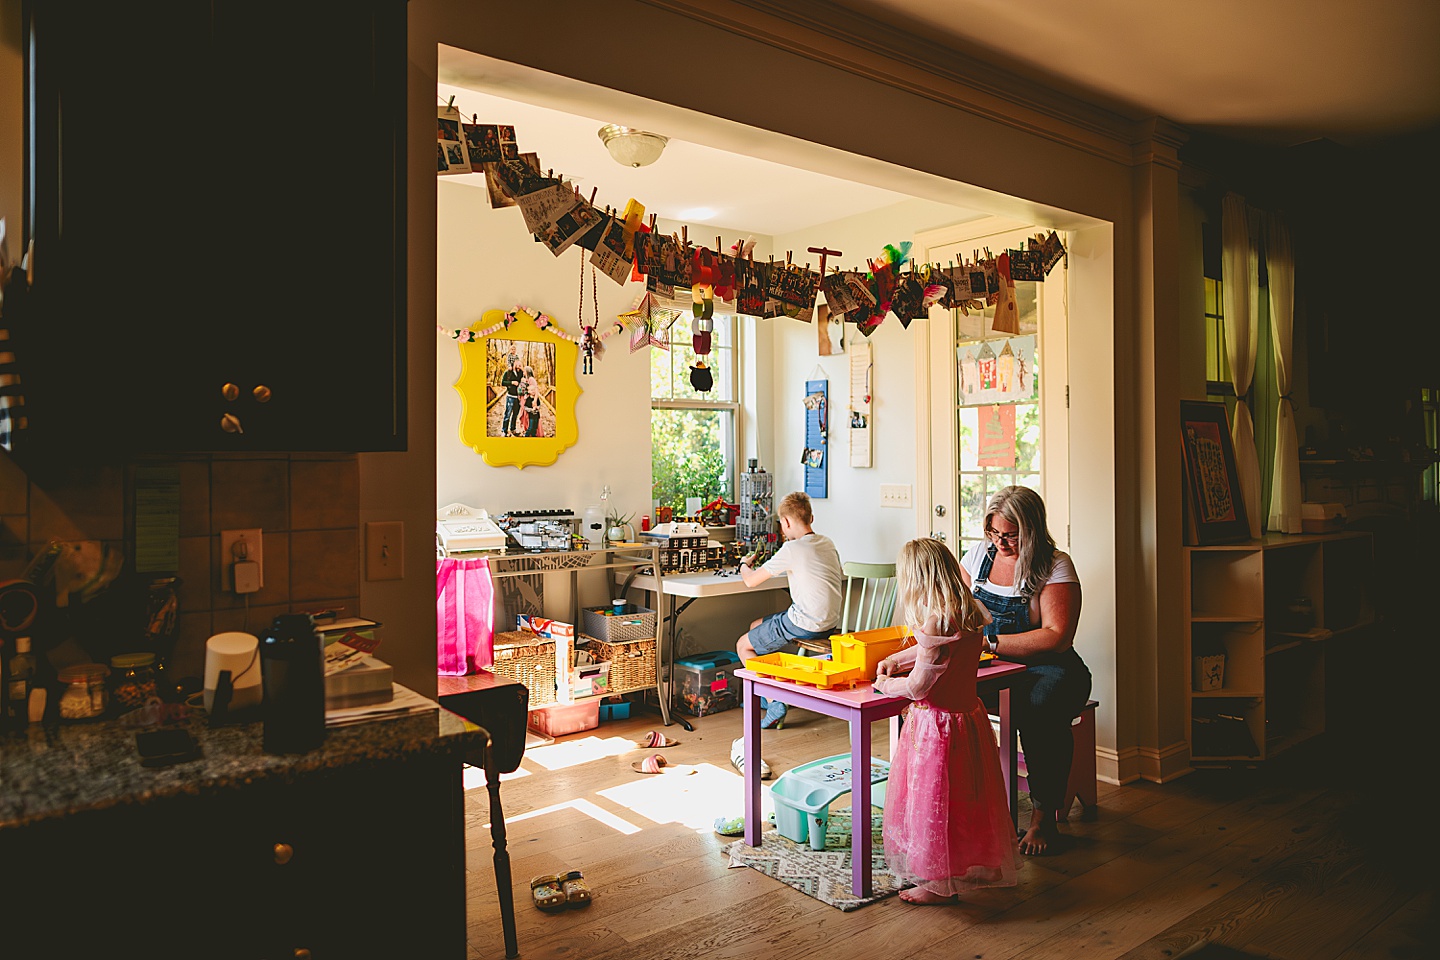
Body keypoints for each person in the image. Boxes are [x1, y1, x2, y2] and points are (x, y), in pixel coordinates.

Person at [873, 538, 1018, 903]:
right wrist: (899, 658)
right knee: (963, 801)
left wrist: (887, 684)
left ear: (917, 578)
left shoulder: (937, 617)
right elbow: (933, 649)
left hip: (934, 727)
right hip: (967, 720)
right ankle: (964, 865)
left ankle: (935, 883)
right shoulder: (968, 608)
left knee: (932, 804)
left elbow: (920, 686)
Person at [960, 485, 1089, 856]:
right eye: (994, 533)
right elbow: (959, 609)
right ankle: (964, 803)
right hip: (992, 668)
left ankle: (1043, 815)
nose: (1000, 542)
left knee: (1038, 710)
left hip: (1049, 668)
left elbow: (1057, 636)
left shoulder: (1054, 564)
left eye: (1011, 535)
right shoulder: (977, 557)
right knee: (938, 699)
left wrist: (991, 643)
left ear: (1031, 529)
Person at [728, 491, 842, 779]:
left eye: (781, 524)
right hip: (829, 623)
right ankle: (773, 692)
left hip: (805, 623)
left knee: (743, 646)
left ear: (787, 522)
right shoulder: (826, 542)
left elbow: (751, 581)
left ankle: (774, 699)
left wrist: (745, 563)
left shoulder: (791, 550)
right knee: (757, 626)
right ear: (811, 518)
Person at [500, 353, 524, 436]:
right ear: (513, 365)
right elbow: (502, 382)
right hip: (510, 396)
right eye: (517, 365)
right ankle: (504, 431)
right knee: (508, 414)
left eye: (519, 365)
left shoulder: (521, 373)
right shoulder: (508, 373)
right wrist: (511, 382)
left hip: (518, 397)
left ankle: (513, 429)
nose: (518, 367)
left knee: (515, 414)